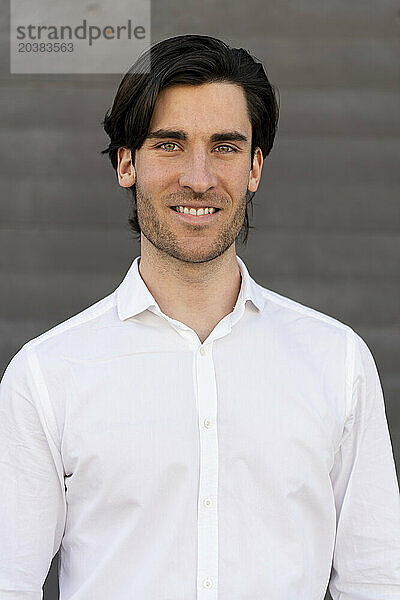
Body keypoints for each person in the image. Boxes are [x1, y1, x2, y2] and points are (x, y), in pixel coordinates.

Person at [0, 34, 399, 600]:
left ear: (255, 168)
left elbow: (377, 582)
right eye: (169, 144)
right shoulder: (46, 374)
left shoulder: (338, 362)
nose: (200, 177)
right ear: (126, 164)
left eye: (226, 146)